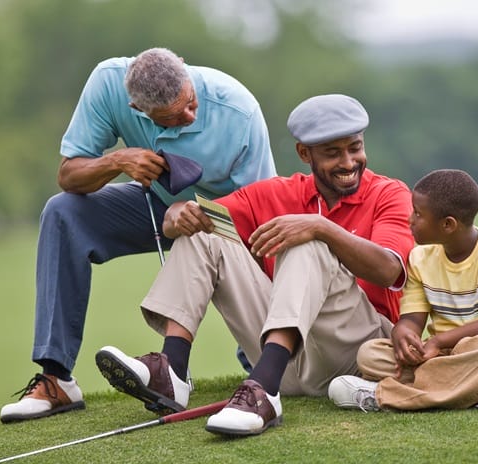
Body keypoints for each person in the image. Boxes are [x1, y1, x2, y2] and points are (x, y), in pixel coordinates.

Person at [94, 93, 415, 436]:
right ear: (304, 154)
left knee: (310, 242)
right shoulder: (275, 192)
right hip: (291, 365)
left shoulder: (390, 194)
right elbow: (201, 219)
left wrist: (321, 227)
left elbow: (389, 270)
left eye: (355, 147)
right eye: (333, 153)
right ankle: (171, 371)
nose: (349, 161)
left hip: (358, 357)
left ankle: (263, 391)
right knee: (205, 231)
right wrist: (176, 215)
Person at [0, 47, 276, 423]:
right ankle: (56, 379)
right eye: (173, 118)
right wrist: (117, 160)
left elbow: (262, 215)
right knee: (62, 212)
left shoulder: (237, 110)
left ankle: (256, 365)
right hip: (154, 202)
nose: (190, 115)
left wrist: (196, 214)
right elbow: (69, 175)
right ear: (137, 109)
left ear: (183, 68)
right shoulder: (107, 83)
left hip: (226, 217)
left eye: (190, 103)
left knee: (240, 253)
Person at [328, 169, 478, 412]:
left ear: (448, 225)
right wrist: (403, 335)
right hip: (442, 356)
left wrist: (440, 340)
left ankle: (382, 396)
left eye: (418, 213)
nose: (410, 219)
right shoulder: (420, 258)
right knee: (369, 355)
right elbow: (411, 320)